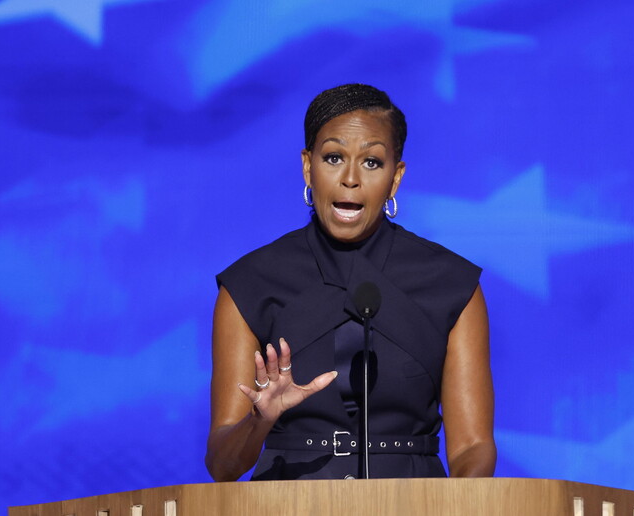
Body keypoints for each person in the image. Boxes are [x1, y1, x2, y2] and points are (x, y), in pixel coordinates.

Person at [205, 84, 495, 481]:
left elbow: (472, 448)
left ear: (395, 178)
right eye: (334, 157)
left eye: (372, 162)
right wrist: (260, 419)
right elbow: (222, 465)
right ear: (308, 167)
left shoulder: (451, 285)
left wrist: (455, 507)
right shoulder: (250, 284)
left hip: (416, 504)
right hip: (286, 504)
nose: (351, 179)